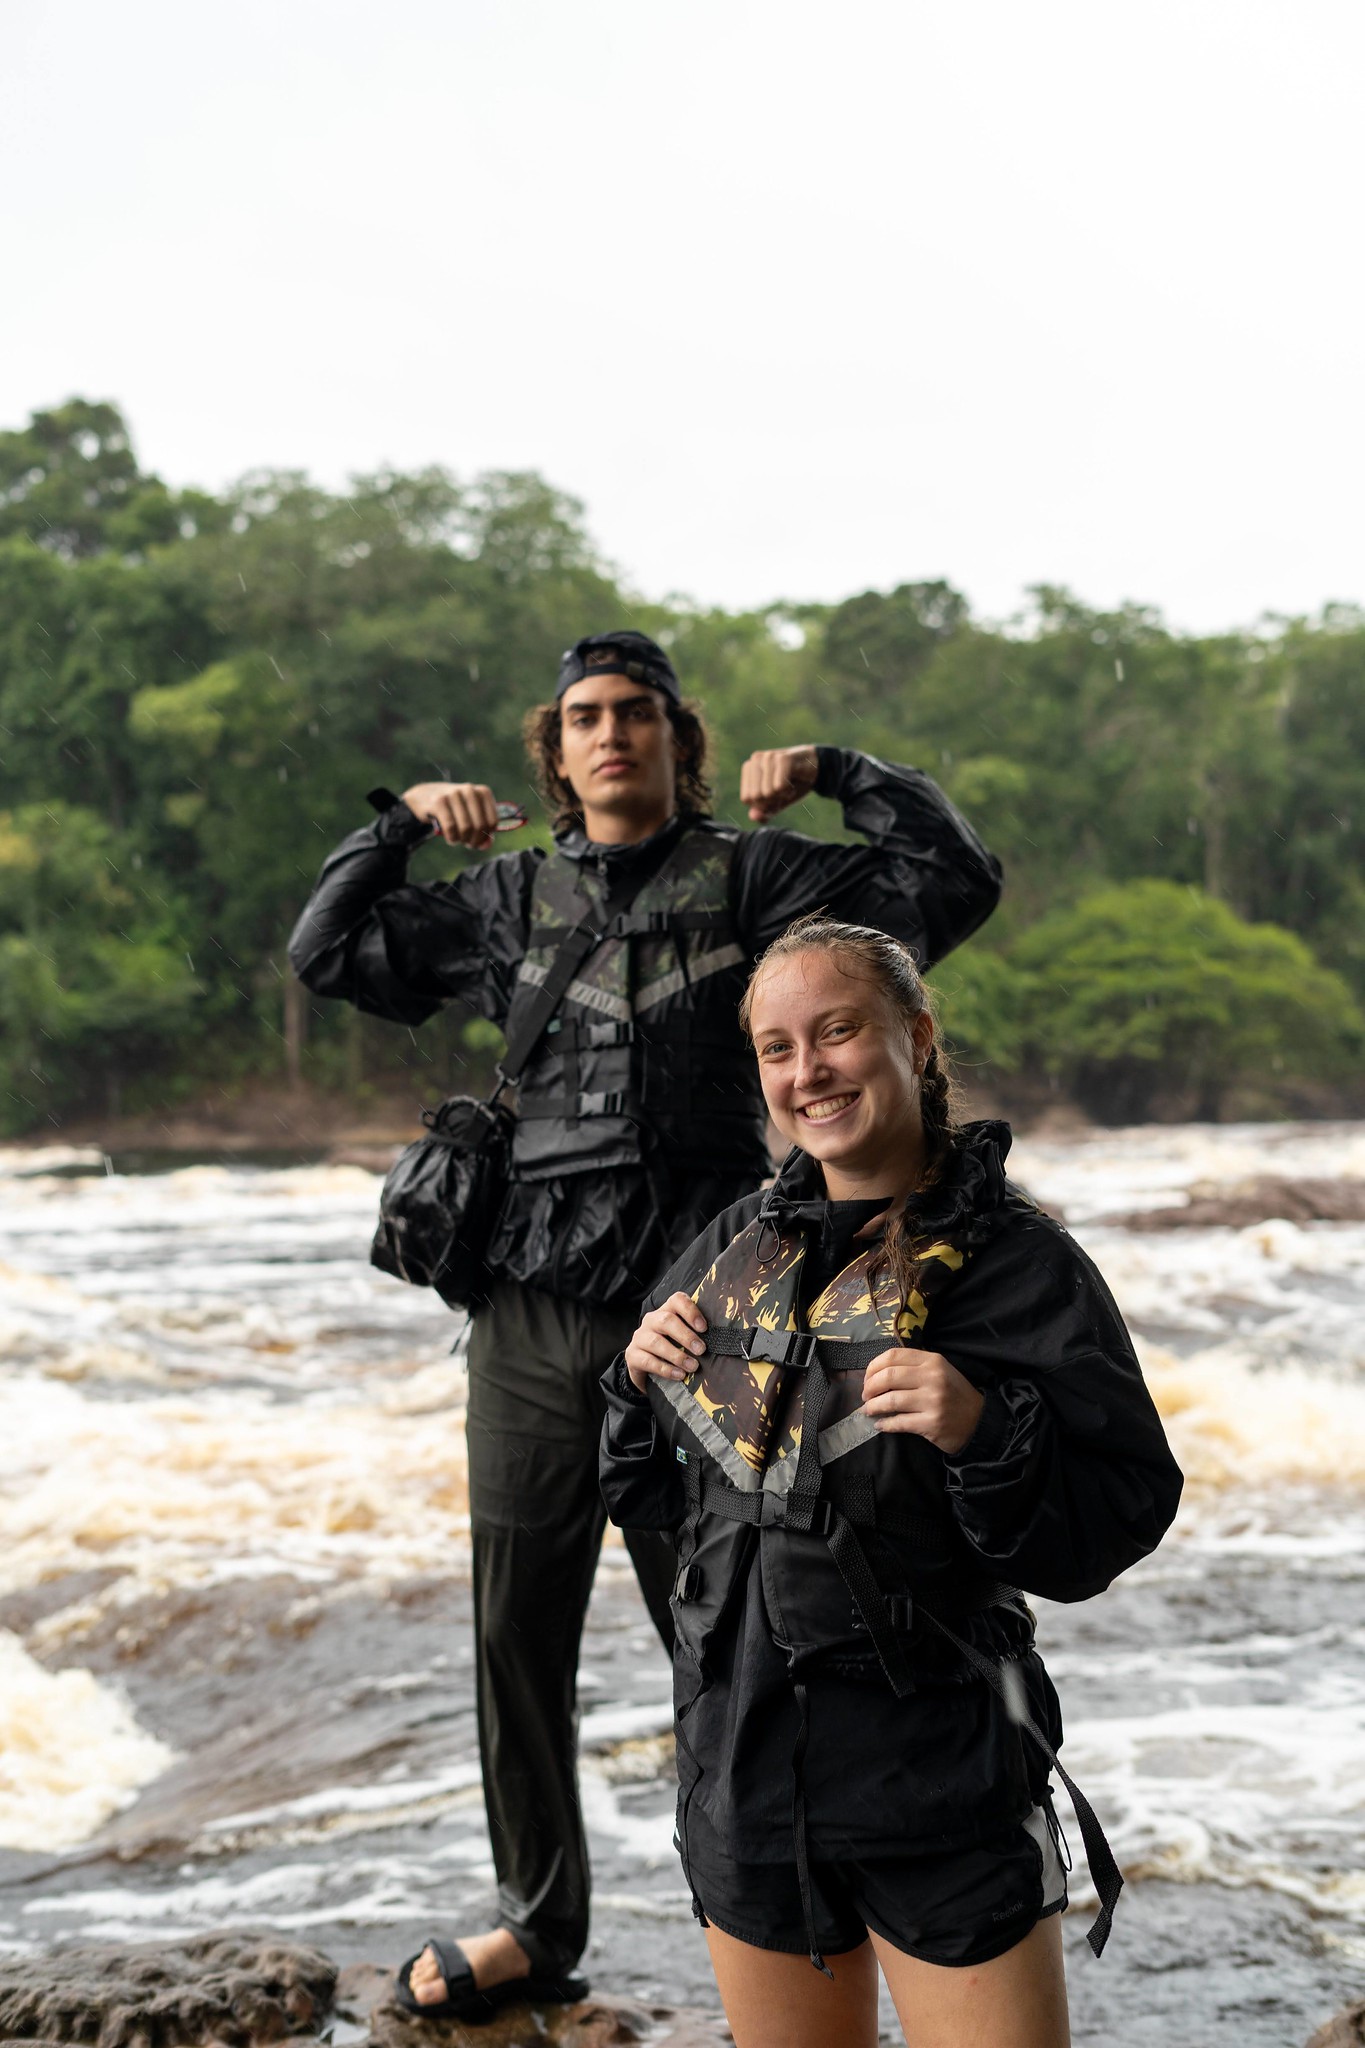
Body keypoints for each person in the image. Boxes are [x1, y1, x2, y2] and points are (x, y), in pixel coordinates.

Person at [288, 631, 1003, 2019]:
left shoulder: (757, 875)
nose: (610, 736)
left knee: (737, 1615)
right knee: (518, 1627)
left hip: (710, 1309)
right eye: (583, 720)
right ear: (550, 754)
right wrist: (390, 830)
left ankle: (785, 1888)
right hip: (531, 1313)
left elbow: (952, 885)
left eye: (635, 716)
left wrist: (846, 773)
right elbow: (326, 954)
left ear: (679, 739)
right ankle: (534, 1921)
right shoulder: (503, 896)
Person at [601, 915, 1183, 2048]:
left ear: (916, 1035)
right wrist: (632, 1383)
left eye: (838, 1031)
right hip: (745, 1771)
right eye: (778, 1047)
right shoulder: (731, 1247)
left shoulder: (1021, 1263)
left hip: (940, 1782)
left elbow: (1118, 1516)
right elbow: (648, 1493)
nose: (807, 1070)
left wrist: (985, 1426)